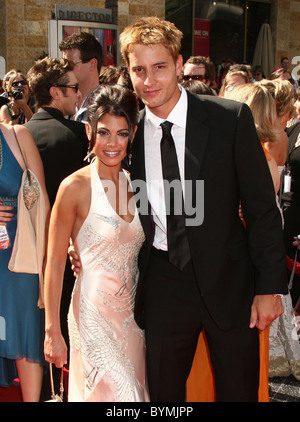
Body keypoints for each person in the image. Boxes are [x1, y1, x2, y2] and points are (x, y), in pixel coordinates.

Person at [71, 16, 287, 402]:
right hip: (163, 284)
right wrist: (84, 244)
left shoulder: (228, 120)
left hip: (229, 281)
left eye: (159, 68)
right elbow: (108, 193)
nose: (149, 81)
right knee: (165, 397)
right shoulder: (129, 133)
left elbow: (262, 209)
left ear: (178, 64)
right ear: (128, 71)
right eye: (139, 70)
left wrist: (270, 287)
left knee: (237, 392)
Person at [44, 84, 149, 402]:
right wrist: (52, 331)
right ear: (89, 130)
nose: (112, 143)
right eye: (104, 132)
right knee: (124, 396)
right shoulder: (73, 187)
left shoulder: (138, 185)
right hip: (91, 316)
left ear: (131, 135)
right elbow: (55, 262)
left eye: (121, 133)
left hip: (133, 319)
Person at [24, 56, 89, 400]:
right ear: (55, 92)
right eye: (73, 89)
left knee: (33, 323)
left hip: (24, 248)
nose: (78, 95)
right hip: (65, 247)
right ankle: (64, 388)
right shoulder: (75, 134)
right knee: (63, 318)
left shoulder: (20, 133)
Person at [0, 122, 49, 401]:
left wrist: (48, 262)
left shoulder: (18, 137)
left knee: (24, 328)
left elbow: (43, 202)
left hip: (22, 256)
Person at [59, 32, 103, 123]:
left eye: (70, 64)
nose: (65, 69)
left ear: (92, 64)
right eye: (63, 64)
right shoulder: (62, 100)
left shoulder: (109, 103)